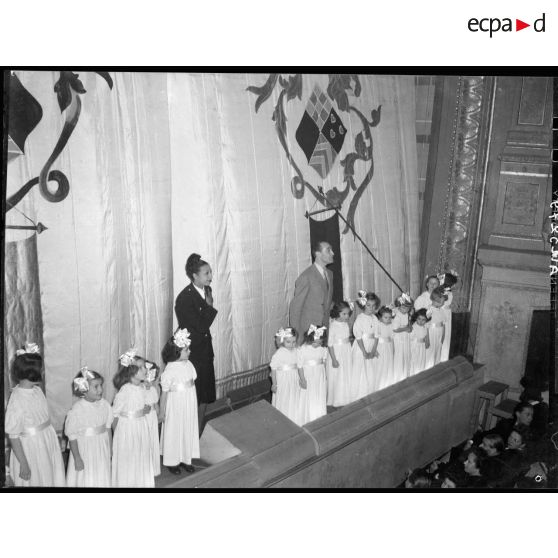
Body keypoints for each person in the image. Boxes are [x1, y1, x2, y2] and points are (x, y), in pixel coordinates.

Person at [5, 343, 65, 487]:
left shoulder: (37, 391)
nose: (43, 372)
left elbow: (42, 418)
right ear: (31, 373)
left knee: (49, 475)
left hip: (45, 442)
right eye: (41, 370)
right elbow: (14, 437)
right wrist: (24, 464)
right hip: (31, 448)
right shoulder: (17, 400)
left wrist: (50, 434)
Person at [175, 253, 218, 436]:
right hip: (193, 356)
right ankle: (190, 436)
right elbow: (199, 327)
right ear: (195, 276)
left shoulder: (206, 291)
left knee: (205, 398)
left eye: (210, 272)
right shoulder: (185, 298)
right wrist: (209, 307)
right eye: (206, 273)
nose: (210, 276)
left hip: (205, 353)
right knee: (195, 398)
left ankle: (197, 435)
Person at [159, 329, 200, 475]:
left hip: (188, 403)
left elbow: (191, 383)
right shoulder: (170, 370)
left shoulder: (189, 364)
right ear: (177, 352)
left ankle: (185, 458)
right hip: (175, 405)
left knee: (187, 428)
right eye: (186, 349)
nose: (189, 351)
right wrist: (162, 411)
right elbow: (164, 393)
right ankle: (172, 461)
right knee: (175, 430)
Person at [111, 349, 154, 488]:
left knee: (140, 454)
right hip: (127, 430)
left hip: (140, 426)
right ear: (131, 372)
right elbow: (114, 414)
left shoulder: (141, 387)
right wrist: (117, 436)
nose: (145, 370)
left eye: (144, 366)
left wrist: (144, 409)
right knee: (129, 457)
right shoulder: (124, 391)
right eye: (141, 367)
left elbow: (145, 403)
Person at [65, 367, 113, 487]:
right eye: (96, 386)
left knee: (101, 475)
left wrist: (110, 448)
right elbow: (72, 436)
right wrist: (77, 458)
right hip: (85, 450)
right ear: (84, 388)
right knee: (86, 478)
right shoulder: (77, 410)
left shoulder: (105, 405)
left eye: (101, 385)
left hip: (101, 448)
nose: (100, 389)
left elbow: (108, 428)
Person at [289, 240, 334, 345]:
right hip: (308, 332)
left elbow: (324, 300)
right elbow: (295, 308)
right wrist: (297, 336)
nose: (332, 253)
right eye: (328, 250)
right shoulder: (306, 277)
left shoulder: (330, 274)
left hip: (324, 330)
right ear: (318, 254)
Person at [351, 291, 381, 399]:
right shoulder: (360, 318)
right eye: (368, 305)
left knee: (370, 369)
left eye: (374, 306)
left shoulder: (375, 318)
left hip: (371, 345)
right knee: (360, 369)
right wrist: (364, 352)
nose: (371, 308)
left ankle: (370, 391)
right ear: (364, 305)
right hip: (361, 346)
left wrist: (373, 350)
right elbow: (358, 337)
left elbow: (377, 336)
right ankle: (359, 394)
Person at [270, 327, 303, 425]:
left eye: (294, 342)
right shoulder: (279, 353)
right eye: (288, 342)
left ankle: (293, 416)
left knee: (293, 395)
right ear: (282, 341)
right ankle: (282, 417)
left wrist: (301, 378)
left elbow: (299, 365)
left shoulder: (297, 351)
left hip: (293, 377)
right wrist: (274, 384)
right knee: (284, 396)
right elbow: (273, 369)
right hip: (283, 379)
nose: (292, 345)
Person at [297, 325, 328, 423]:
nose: (317, 345)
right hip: (308, 375)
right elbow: (300, 366)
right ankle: (307, 415)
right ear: (309, 339)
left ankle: (318, 413)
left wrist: (325, 375)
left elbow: (324, 362)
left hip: (319, 375)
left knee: (318, 392)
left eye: (319, 343)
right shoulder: (303, 349)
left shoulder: (322, 349)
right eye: (315, 342)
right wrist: (302, 379)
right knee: (308, 394)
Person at [326, 302, 352, 407]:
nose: (347, 316)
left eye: (348, 314)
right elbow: (330, 344)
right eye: (344, 314)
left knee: (345, 373)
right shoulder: (333, 326)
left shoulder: (345, 324)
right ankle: (336, 398)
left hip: (346, 351)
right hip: (336, 352)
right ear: (337, 313)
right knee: (337, 375)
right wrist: (334, 359)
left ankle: (345, 396)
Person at [142, 359, 161, 477]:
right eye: (147, 377)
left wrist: (159, 416)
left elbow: (156, 405)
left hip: (152, 420)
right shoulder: (139, 391)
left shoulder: (154, 390)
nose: (149, 381)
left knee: (152, 442)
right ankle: (144, 469)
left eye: (152, 378)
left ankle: (153, 469)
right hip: (143, 420)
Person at [392, 293, 413, 382]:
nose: (406, 310)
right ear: (399, 306)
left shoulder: (406, 314)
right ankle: (398, 375)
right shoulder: (397, 315)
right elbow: (395, 329)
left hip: (405, 336)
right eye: (404, 307)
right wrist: (405, 328)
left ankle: (405, 373)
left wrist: (409, 327)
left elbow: (408, 324)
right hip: (399, 337)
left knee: (405, 353)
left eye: (408, 308)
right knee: (399, 354)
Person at [438, 271, 458, 362]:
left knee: (443, 334)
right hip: (445, 312)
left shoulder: (446, 292)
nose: (439, 279)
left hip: (443, 312)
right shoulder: (445, 291)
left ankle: (441, 357)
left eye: (441, 278)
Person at [424, 287, 446, 369]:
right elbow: (426, 326)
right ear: (436, 300)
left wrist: (443, 335)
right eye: (442, 302)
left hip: (439, 333)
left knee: (438, 350)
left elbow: (443, 324)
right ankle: (428, 369)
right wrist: (427, 339)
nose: (443, 304)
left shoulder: (441, 310)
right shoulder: (429, 311)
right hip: (431, 333)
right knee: (430, 352)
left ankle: (436, 368)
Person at [375, 306, 396, 390]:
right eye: (385, 317)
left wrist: (393, 349)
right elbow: (375, 339)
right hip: (380, 347)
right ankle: (379, 384)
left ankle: (387, 383)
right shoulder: (378, 325)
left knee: (388, 364)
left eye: (390, 317)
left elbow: (392, 338)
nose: (388, 319)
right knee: (381, 364)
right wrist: (375, 350)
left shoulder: (391, 325)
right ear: (380, 317)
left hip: (389, 347)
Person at [409, 308, 430, 376]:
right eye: (419, 319)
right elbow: (410, 338)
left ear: (426, 320)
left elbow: (426, 337)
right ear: (416, 318)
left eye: (423, 320)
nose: (420, 321)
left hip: (421, 347)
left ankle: (419, 374)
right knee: (414, 361)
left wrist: (427, 342)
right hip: (414, 347)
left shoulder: (425, 327)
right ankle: (412, 374)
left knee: (421, 361)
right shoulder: (414, 327)